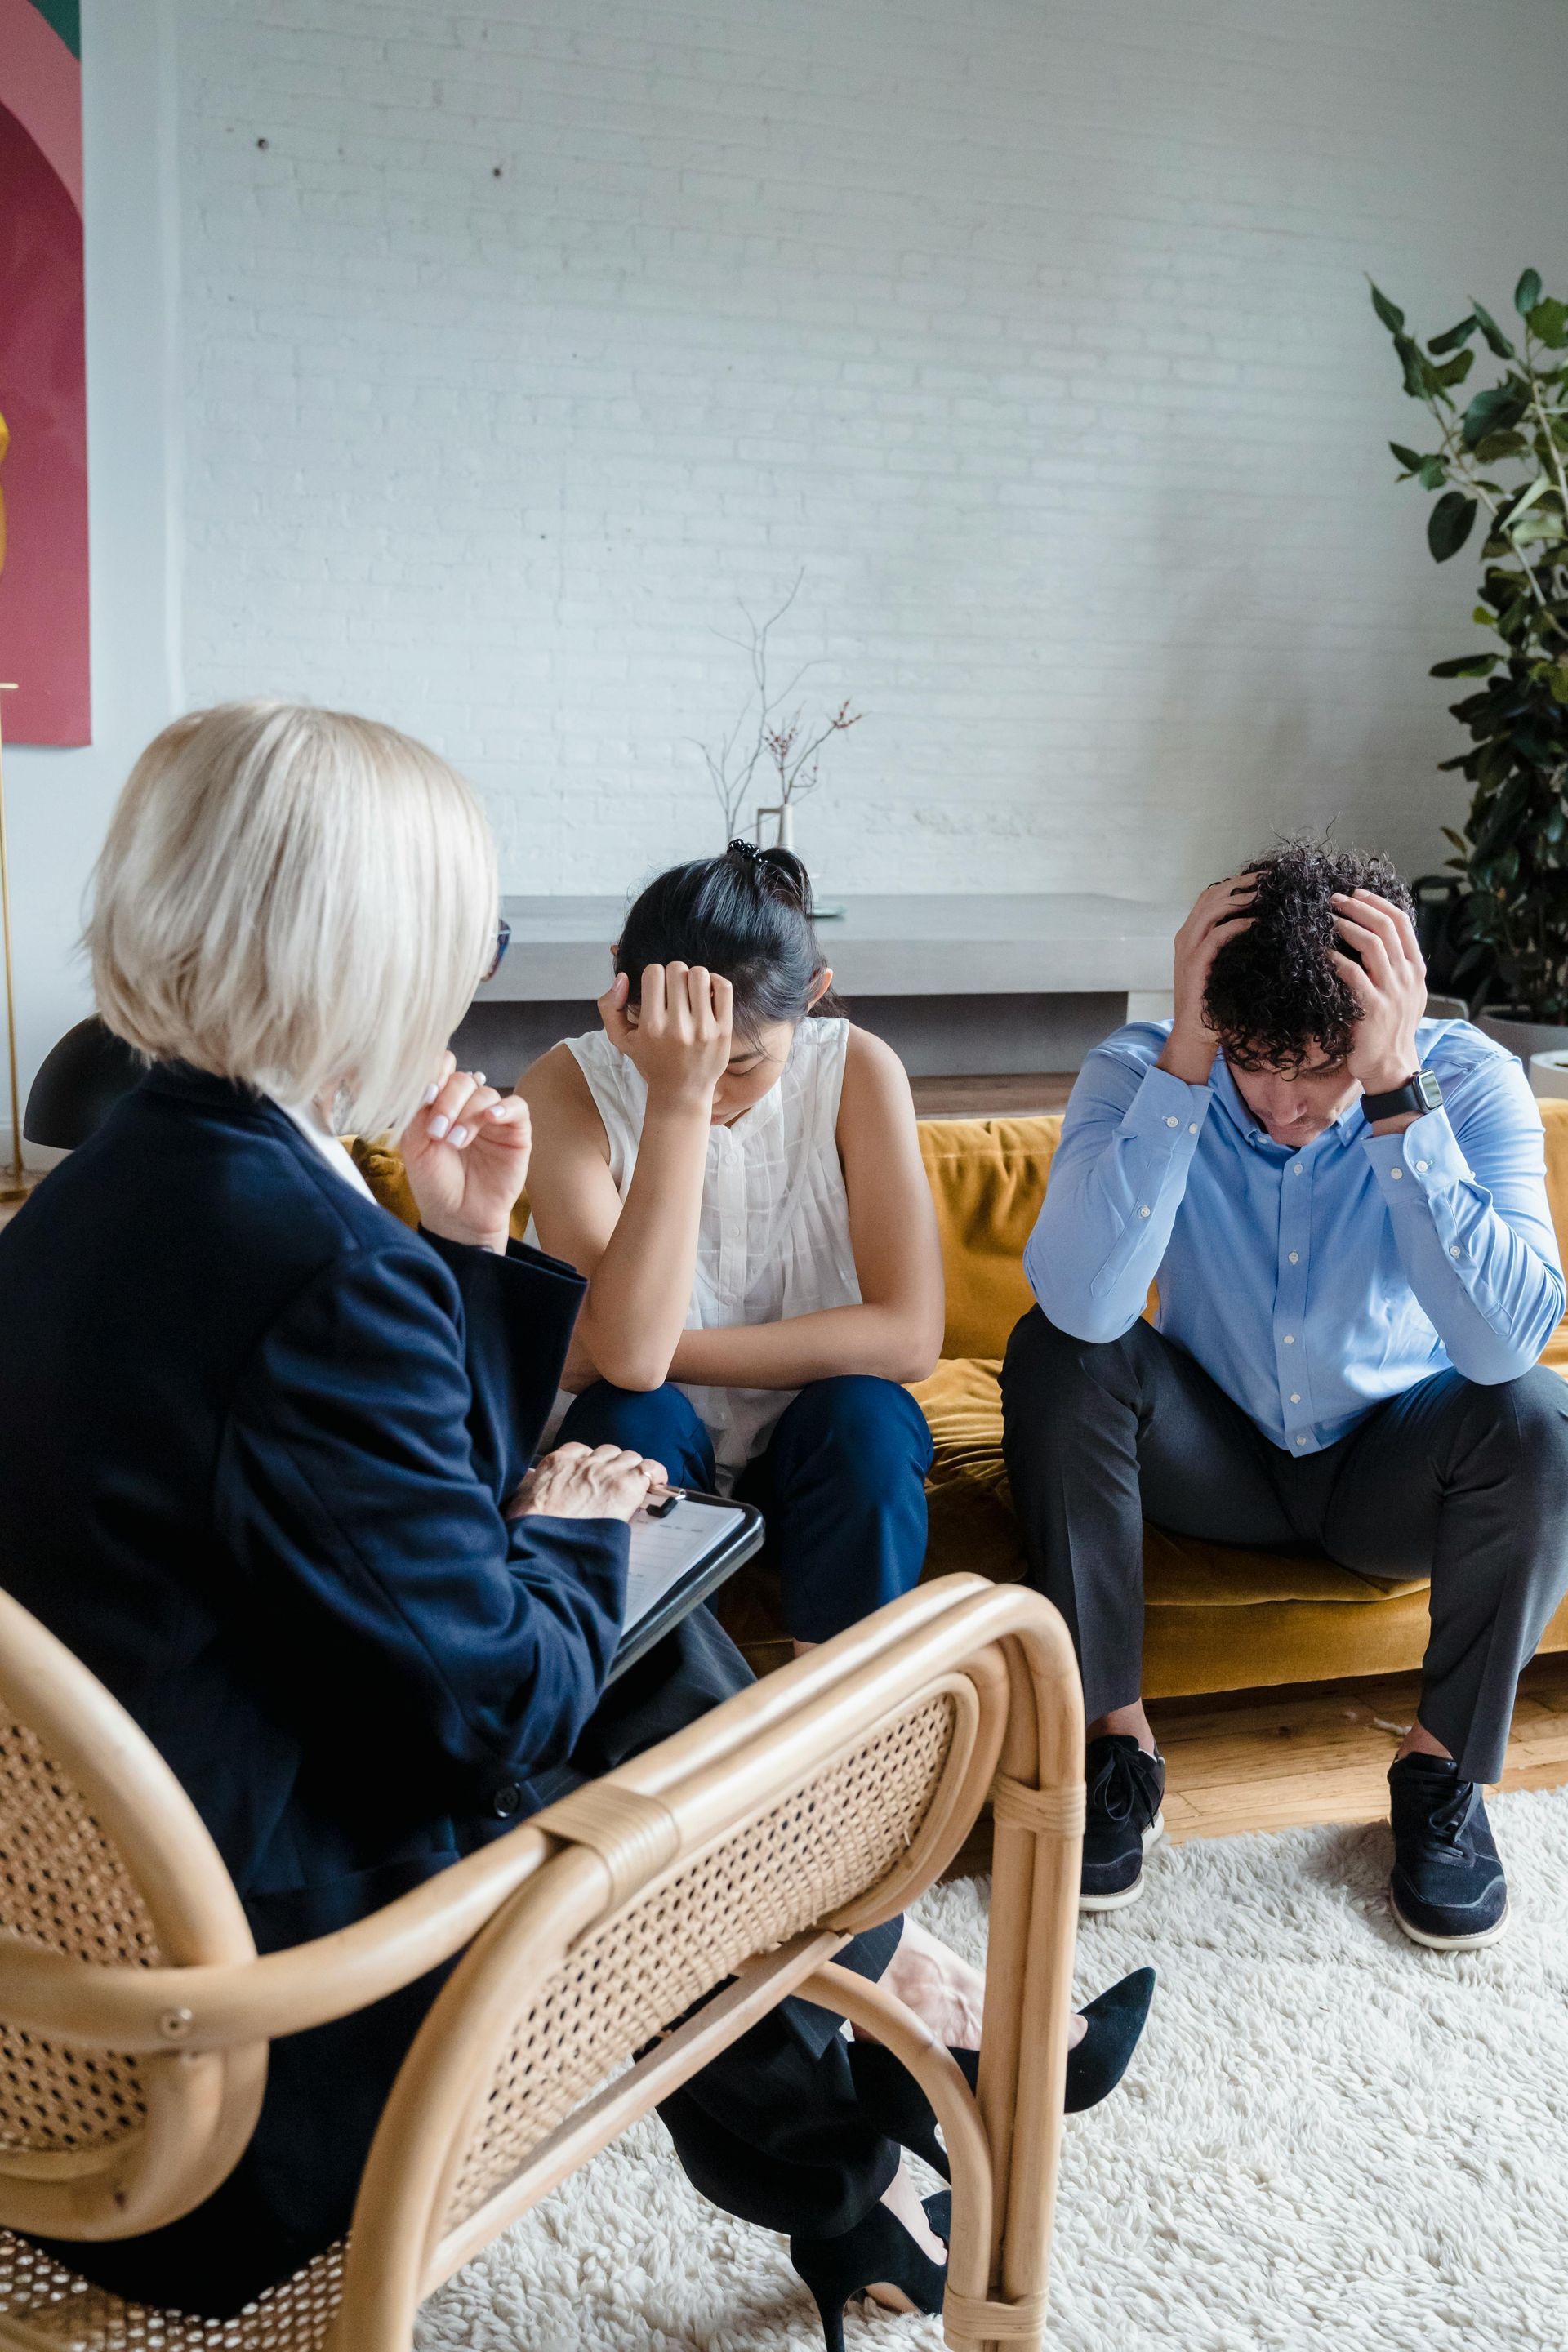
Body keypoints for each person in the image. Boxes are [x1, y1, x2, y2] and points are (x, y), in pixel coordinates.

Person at [0, 703, 1148, 2340]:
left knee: (640, 1655)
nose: (466, 980)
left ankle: (850, 2145)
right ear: (370, 958)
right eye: (457, 940)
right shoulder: (322, 1274)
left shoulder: (91, 1202)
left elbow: (338, 1532)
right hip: (244, 2085)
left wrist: (463, 1264)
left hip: (69, 2013)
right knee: (637, 1676)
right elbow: (489, 1710)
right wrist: (580, 1528)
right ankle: (893, 2006)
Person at [1002, 840, 1568, 1949]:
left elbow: (1505, 1347)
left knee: (1541, 1420)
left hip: (1390, 1474)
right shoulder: (1143, 1071)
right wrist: (1188, 1061)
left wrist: (1399, 1095)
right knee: (1057, 1352)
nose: (1287, 1105)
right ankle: (1116, 1741)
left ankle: (1441, 1775)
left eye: (1326, 1070)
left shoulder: (1468, 1081)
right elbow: (1081, 1304)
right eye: (1259, 1062)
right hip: (1212, 1457)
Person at [517, 841, 945, 1649]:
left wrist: (633, 1343)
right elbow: (631, 1372)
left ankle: (842, 1736)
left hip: (810, 1463)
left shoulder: (859, 1071)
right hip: (643, 1453)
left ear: (814, 996)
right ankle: (662, 1733)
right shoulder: (564, 1086)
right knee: (629, 1412)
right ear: (622, 987)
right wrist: (672, 1103)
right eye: (681, 1060)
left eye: (740, 1065)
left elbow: (910, 1338)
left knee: (869, 1416)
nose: (709, 1088)